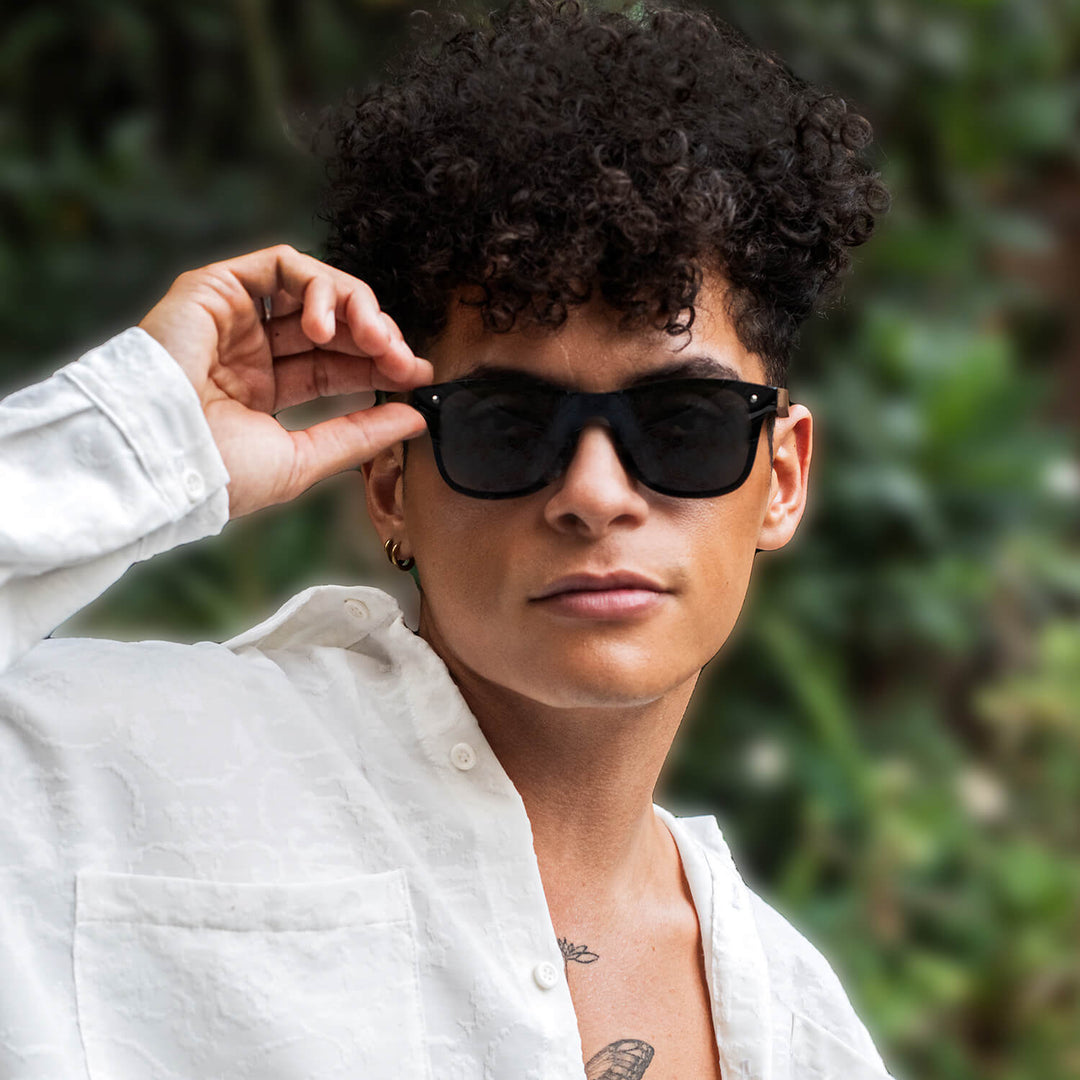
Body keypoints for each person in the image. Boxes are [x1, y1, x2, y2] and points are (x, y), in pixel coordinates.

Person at [0, 1, 893, 1077]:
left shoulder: (798, 1026)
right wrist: (140, 438)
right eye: (508, 427)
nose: (594, 494)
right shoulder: (118, 775)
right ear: (390, 484)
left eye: (683, 425)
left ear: (782, 478)